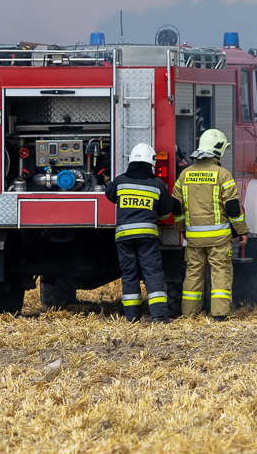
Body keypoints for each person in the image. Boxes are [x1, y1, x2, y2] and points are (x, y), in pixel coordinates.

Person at [174, 129, 246, 320]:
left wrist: (183, 230)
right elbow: (233, 207)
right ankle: (220, 315)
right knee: (220, 273)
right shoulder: (223, 175)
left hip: (194, 239)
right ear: (218, 150)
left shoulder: (185, 174)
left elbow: (176, 207)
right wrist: (241, 231)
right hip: (219, 239)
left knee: (193, 275)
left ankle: (189, 315)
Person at [104, 142, 178, 321]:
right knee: (152, 273)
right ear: (151, 162)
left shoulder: (120, 181)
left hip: (124, 237)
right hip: (147, 237)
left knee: (129, 274)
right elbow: (165, 212)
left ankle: (132, 317)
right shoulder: (157, 184)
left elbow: (109, 195)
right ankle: (159, 315)